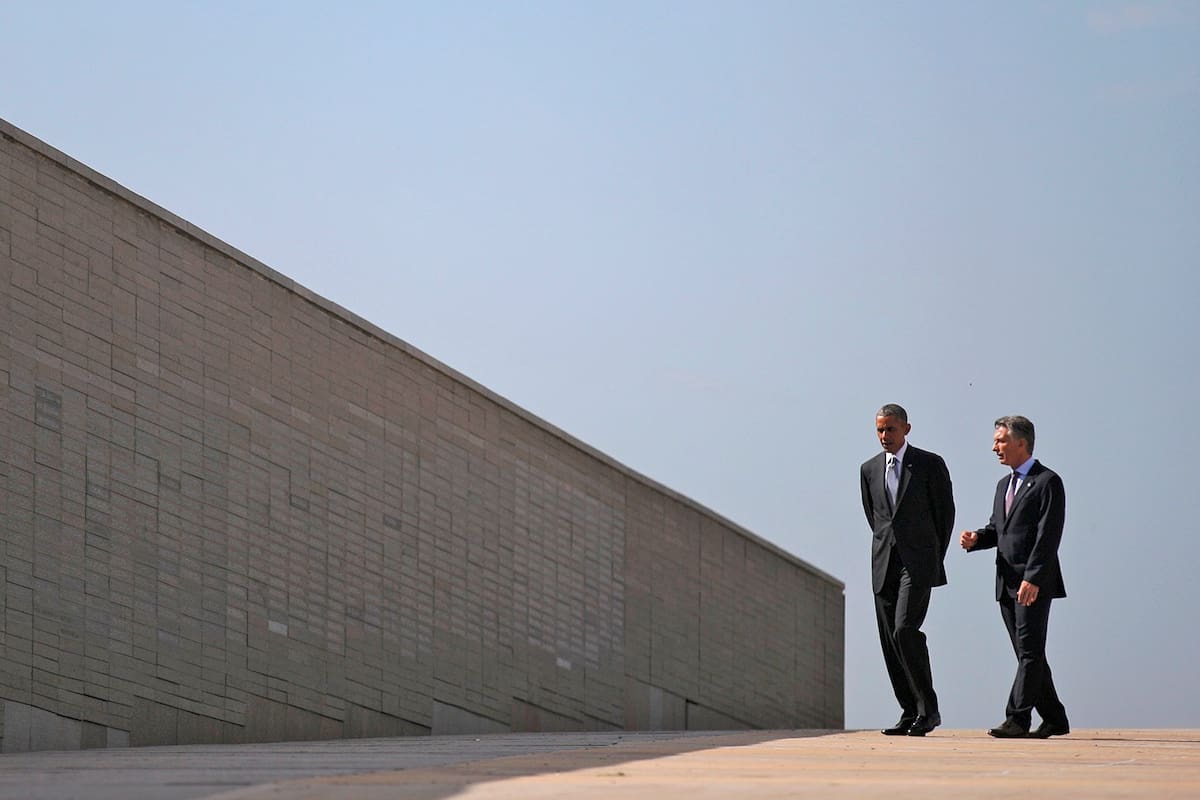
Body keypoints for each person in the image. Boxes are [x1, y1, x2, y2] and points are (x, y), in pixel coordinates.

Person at [959, 415, 1070, 739]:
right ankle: (1054, 718)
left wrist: (1033, 578)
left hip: (1032, 583)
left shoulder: (1048, 481)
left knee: (1030, 651)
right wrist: (977, 539)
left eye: (1000, 441)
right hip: (1006, 582)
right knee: (1027, 653)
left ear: (1021, 442)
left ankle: (1017, 718)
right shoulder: (1002, 485)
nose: (995, 447)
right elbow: (999, 530)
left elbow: (1048, 536)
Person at [860, 404, 954, 737]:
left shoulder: (929, 464)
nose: (885, 436)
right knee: (890, 641)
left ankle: (929, 711)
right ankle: (909, 710)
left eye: (891, 430)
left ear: (906, 429)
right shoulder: (869, 469)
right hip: (884, 564)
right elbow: (876, 519)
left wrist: (932, 557)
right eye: (880, 430)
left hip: (918, 564)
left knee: (905, 630)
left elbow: (945, 515)